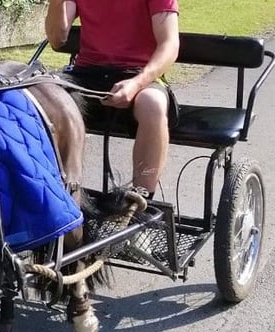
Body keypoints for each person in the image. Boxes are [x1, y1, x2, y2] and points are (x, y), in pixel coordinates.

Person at [45, 0, 180, 198]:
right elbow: (57, 40)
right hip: (87, 74)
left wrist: (136, 83)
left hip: (139, 73)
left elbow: (170, 45)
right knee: (45, 98)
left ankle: (141, 199)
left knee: (152, 104)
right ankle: (56, 192)